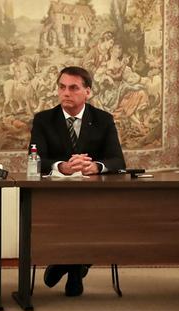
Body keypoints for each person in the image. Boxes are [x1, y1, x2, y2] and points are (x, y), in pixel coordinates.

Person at [30, 66, 126, 297]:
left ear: (88, 92)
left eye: (73, 88)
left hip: (93, 195)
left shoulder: (103, 120)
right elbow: (35, 159)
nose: (66, 93)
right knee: (67, 220)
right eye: (62, 87)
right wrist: (61, 166)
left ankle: (67, 266)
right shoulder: (44, 120)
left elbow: (117, 160)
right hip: (55, 196)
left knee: (101, 221)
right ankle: (75, 269)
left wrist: (95, 166)